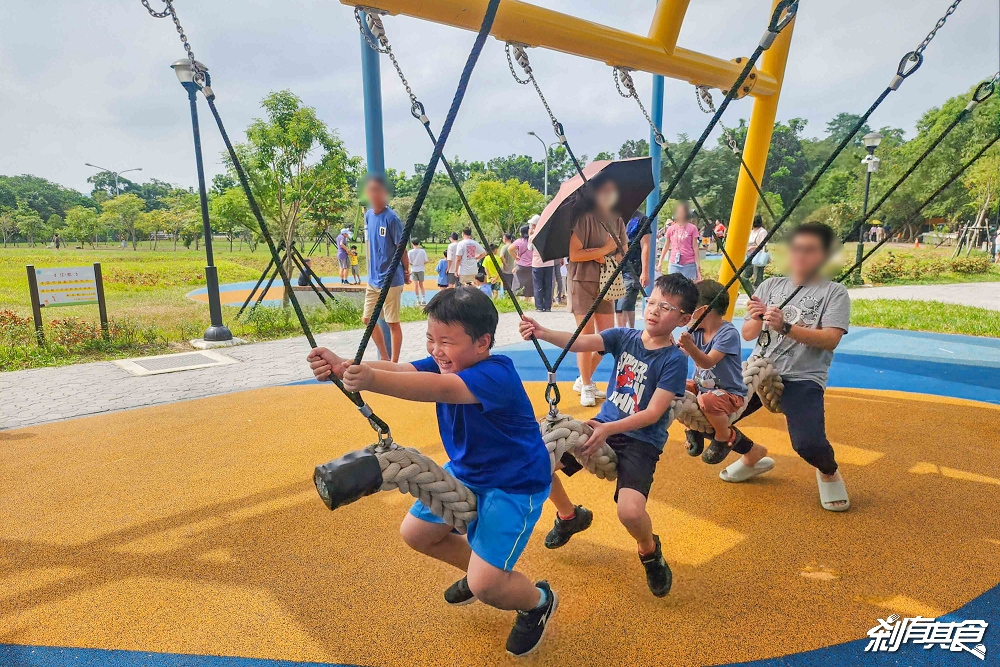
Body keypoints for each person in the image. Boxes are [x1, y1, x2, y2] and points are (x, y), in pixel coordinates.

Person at [306, 288, 558, 656]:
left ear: (482, 343)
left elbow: (434, 388)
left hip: (514, 482)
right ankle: (480, 573)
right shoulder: (448, 363)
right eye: (429, 338)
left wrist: (371, 381)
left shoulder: (495, 374)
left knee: (488, 586)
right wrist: (346, 366)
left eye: (445, 341)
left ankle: (537, 601)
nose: (435, 350)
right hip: (468, 470)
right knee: (417, 534)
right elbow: (403, 369)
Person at [519, 273, 698, 597]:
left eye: (667, 307)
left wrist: (608, 430)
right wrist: (542, 332)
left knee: (629, 511)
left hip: (639, 440)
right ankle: (569, 515)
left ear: (683, 319)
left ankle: (648, 549)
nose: (655, 310)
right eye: (653, 301)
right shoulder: (623, 336)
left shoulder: (673, 360)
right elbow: (580, 342)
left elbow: (653, 413)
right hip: (603, 424)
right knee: (537, 464)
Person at [732, 223, 852, 511]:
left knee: (808, 444)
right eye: (796, 248)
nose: (800, 256)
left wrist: (786, 327)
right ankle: (751, 455)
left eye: (809, 250)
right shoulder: (771, 285)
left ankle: (828, 470)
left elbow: (830, 340)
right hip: (757, 370)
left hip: (802, 378)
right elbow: (748, 334)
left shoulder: (834, 293)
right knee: (710, 417)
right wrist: (756, 317)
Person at [678, 280, 770, 477]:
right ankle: (691, 427)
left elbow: (708, 362)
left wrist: (691, 348)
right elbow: (681, 355)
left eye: (689, 308)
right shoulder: (697, 332)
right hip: (703, 387)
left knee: (706, 401)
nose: (685, 313)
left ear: (703, 310)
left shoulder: (728, 334)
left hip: (728, 394)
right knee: (677, 390)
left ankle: (724, 436)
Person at [566, 176, 627, 407]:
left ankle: (583, 378)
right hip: (582, 281)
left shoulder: (617, 220)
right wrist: (601, 251)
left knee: (606, 338)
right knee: (586, 336)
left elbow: (623, 251)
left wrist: (612, 256)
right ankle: (588, 384)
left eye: (612, 190)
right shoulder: (584, 219)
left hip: (607, 283)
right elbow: (574, 254)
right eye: (604, 190)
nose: (609, 194)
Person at [362, 173, 410, 363]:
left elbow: (401, 248)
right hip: (374, 279)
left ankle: (394, 362)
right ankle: (384, 355)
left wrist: (407, 271)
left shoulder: (392, 219)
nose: (373, 195)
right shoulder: (368, 215)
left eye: (377, 191)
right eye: (370, 190)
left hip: (392, 279)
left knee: (392, 322)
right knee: (368, 319)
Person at [615, 208, 651, 328]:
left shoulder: (641, 219)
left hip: (633, 267)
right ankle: (628, 331)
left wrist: (645, 271)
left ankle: (624, 334)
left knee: (623, 304)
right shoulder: (614, 216)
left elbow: (645, 245)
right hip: (616, 266)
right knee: (621, 305)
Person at [658, 202, 701, 281]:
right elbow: (666, 246)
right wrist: (660, 261)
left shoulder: (692, 228)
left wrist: (698, 264)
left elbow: (695, 247)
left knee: (689, 287)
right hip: (674, 263)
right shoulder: (671, 229)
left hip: (689, 263)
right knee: (674, 287)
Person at [529, 216, 555, 312]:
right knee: (548, 284)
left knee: (538, 285)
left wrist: (530, 235)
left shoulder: (532, 237)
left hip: (537, 264)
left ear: (534, 225)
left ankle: (539, 306)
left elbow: (529, 248)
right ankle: (547, 306)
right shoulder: (549, 234)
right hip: (549, 262)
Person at [743, 215, 769, 288]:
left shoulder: (762, 232)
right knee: (744, 278)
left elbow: (764, 245)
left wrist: (752, 247)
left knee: (757, 280)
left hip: (758, 257)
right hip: (749, 257)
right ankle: (752, 294)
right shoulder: (751, 232)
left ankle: (759, 296)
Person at [510, 225, 534, 300]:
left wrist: (515, 257)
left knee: (517, 283)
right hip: (531, 265)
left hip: (520, 265)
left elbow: (510, 249)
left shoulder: (519, 241)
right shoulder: (533, 240)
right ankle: (527, 299)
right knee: (529, 285)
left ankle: (517, 299)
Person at [408, 239, 430, 306]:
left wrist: (414, 264)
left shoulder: (410, 252)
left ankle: (418, 300)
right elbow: (426, 261)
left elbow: (409, 262)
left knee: (416, 285)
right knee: (421, 285)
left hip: (414, 269)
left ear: (412, 243)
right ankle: (424, 299)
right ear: (419, 243)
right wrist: (421, 264)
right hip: (421, 269)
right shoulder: (422, 251)